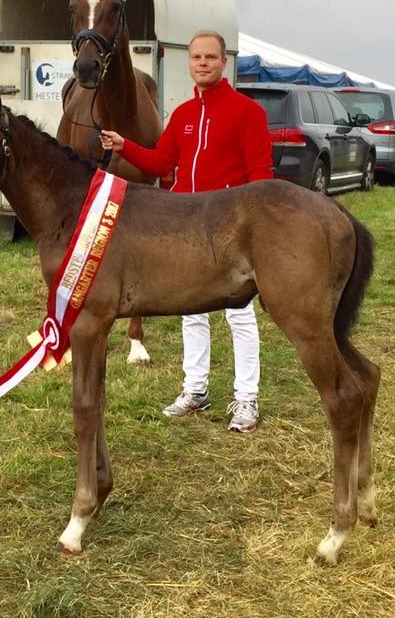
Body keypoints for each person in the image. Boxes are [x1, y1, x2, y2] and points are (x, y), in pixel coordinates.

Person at [99, 30, 273, 432]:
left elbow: (261, 178)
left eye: (210, 57)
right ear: (190, 62)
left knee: (239, 315)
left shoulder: (247, 113)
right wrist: (124, 145)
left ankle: (246, 398)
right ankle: (196, 390)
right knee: (190, 312)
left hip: (231, 232)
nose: (202, 63)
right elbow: (162, 163)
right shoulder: (183, 115)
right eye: (196, 57)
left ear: (223, 62)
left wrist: (255, 230)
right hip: (185, 228)